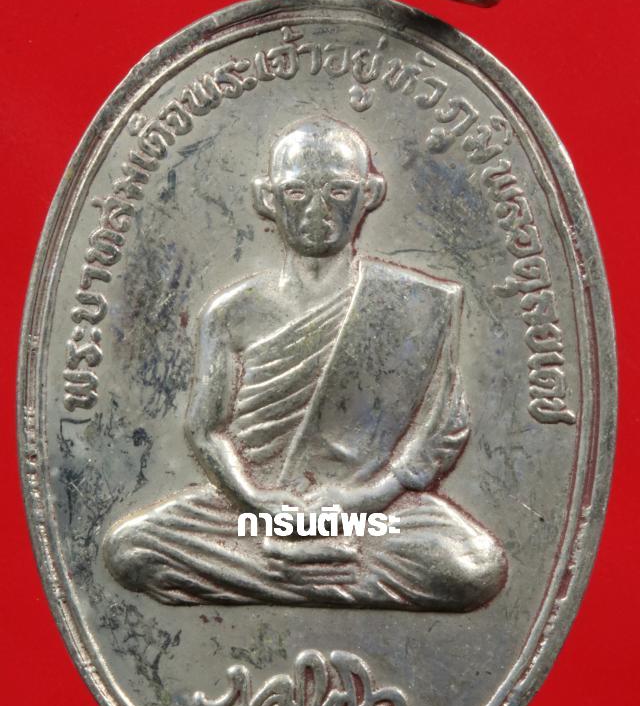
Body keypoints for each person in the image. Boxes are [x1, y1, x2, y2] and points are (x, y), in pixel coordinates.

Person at [103, 116, 506, 610]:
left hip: (372, 515)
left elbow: (443, 428)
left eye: (338, 191)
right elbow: (205, 430)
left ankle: (286, 569)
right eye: (297, 193)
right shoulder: (231, 313)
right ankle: (321, 568)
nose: (318, 211)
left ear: (370, 194)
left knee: (475, 567)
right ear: (267, 198)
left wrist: (364, 501)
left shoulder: (417, 304)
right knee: (129, 551)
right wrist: (256, 501)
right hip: (248, 515)